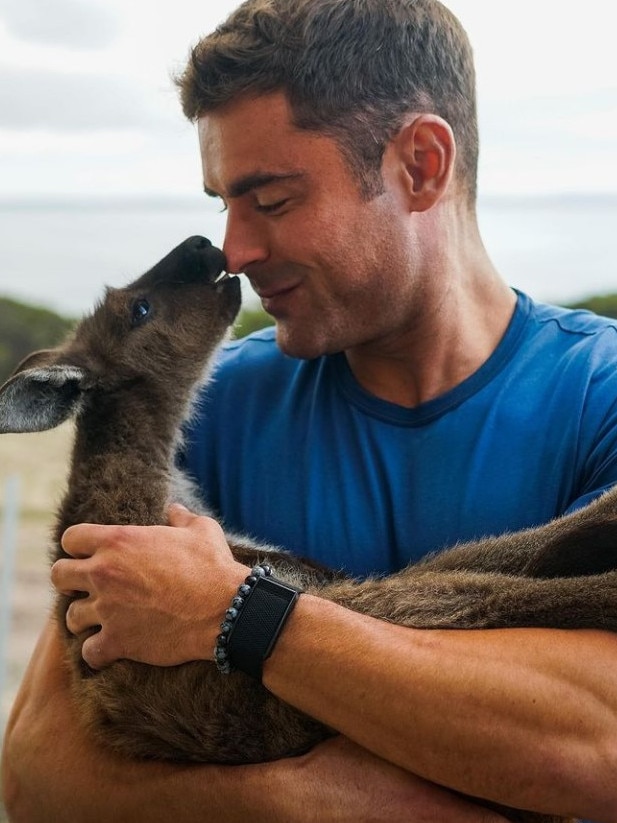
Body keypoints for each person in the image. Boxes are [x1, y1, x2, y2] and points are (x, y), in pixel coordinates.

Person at [3, 0, 617, 820]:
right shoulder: (211, 404)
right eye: (224, 201)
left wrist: (237, 614)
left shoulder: (596, 394)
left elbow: (600, 745)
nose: (233, 249)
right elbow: (36, 771)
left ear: (421, 165)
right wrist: (310, 800)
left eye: (273, 200)